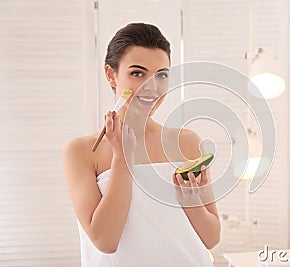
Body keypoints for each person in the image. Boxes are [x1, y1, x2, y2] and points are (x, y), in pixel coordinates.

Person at [62, 23, 220, 266]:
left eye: (162, 75)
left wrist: (190, 198)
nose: (152, 87)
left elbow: (211, 238)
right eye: (137, 73)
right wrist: (122, 157)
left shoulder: (186, 142)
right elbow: (105, 240)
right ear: (111, 75)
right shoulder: (82, 152)